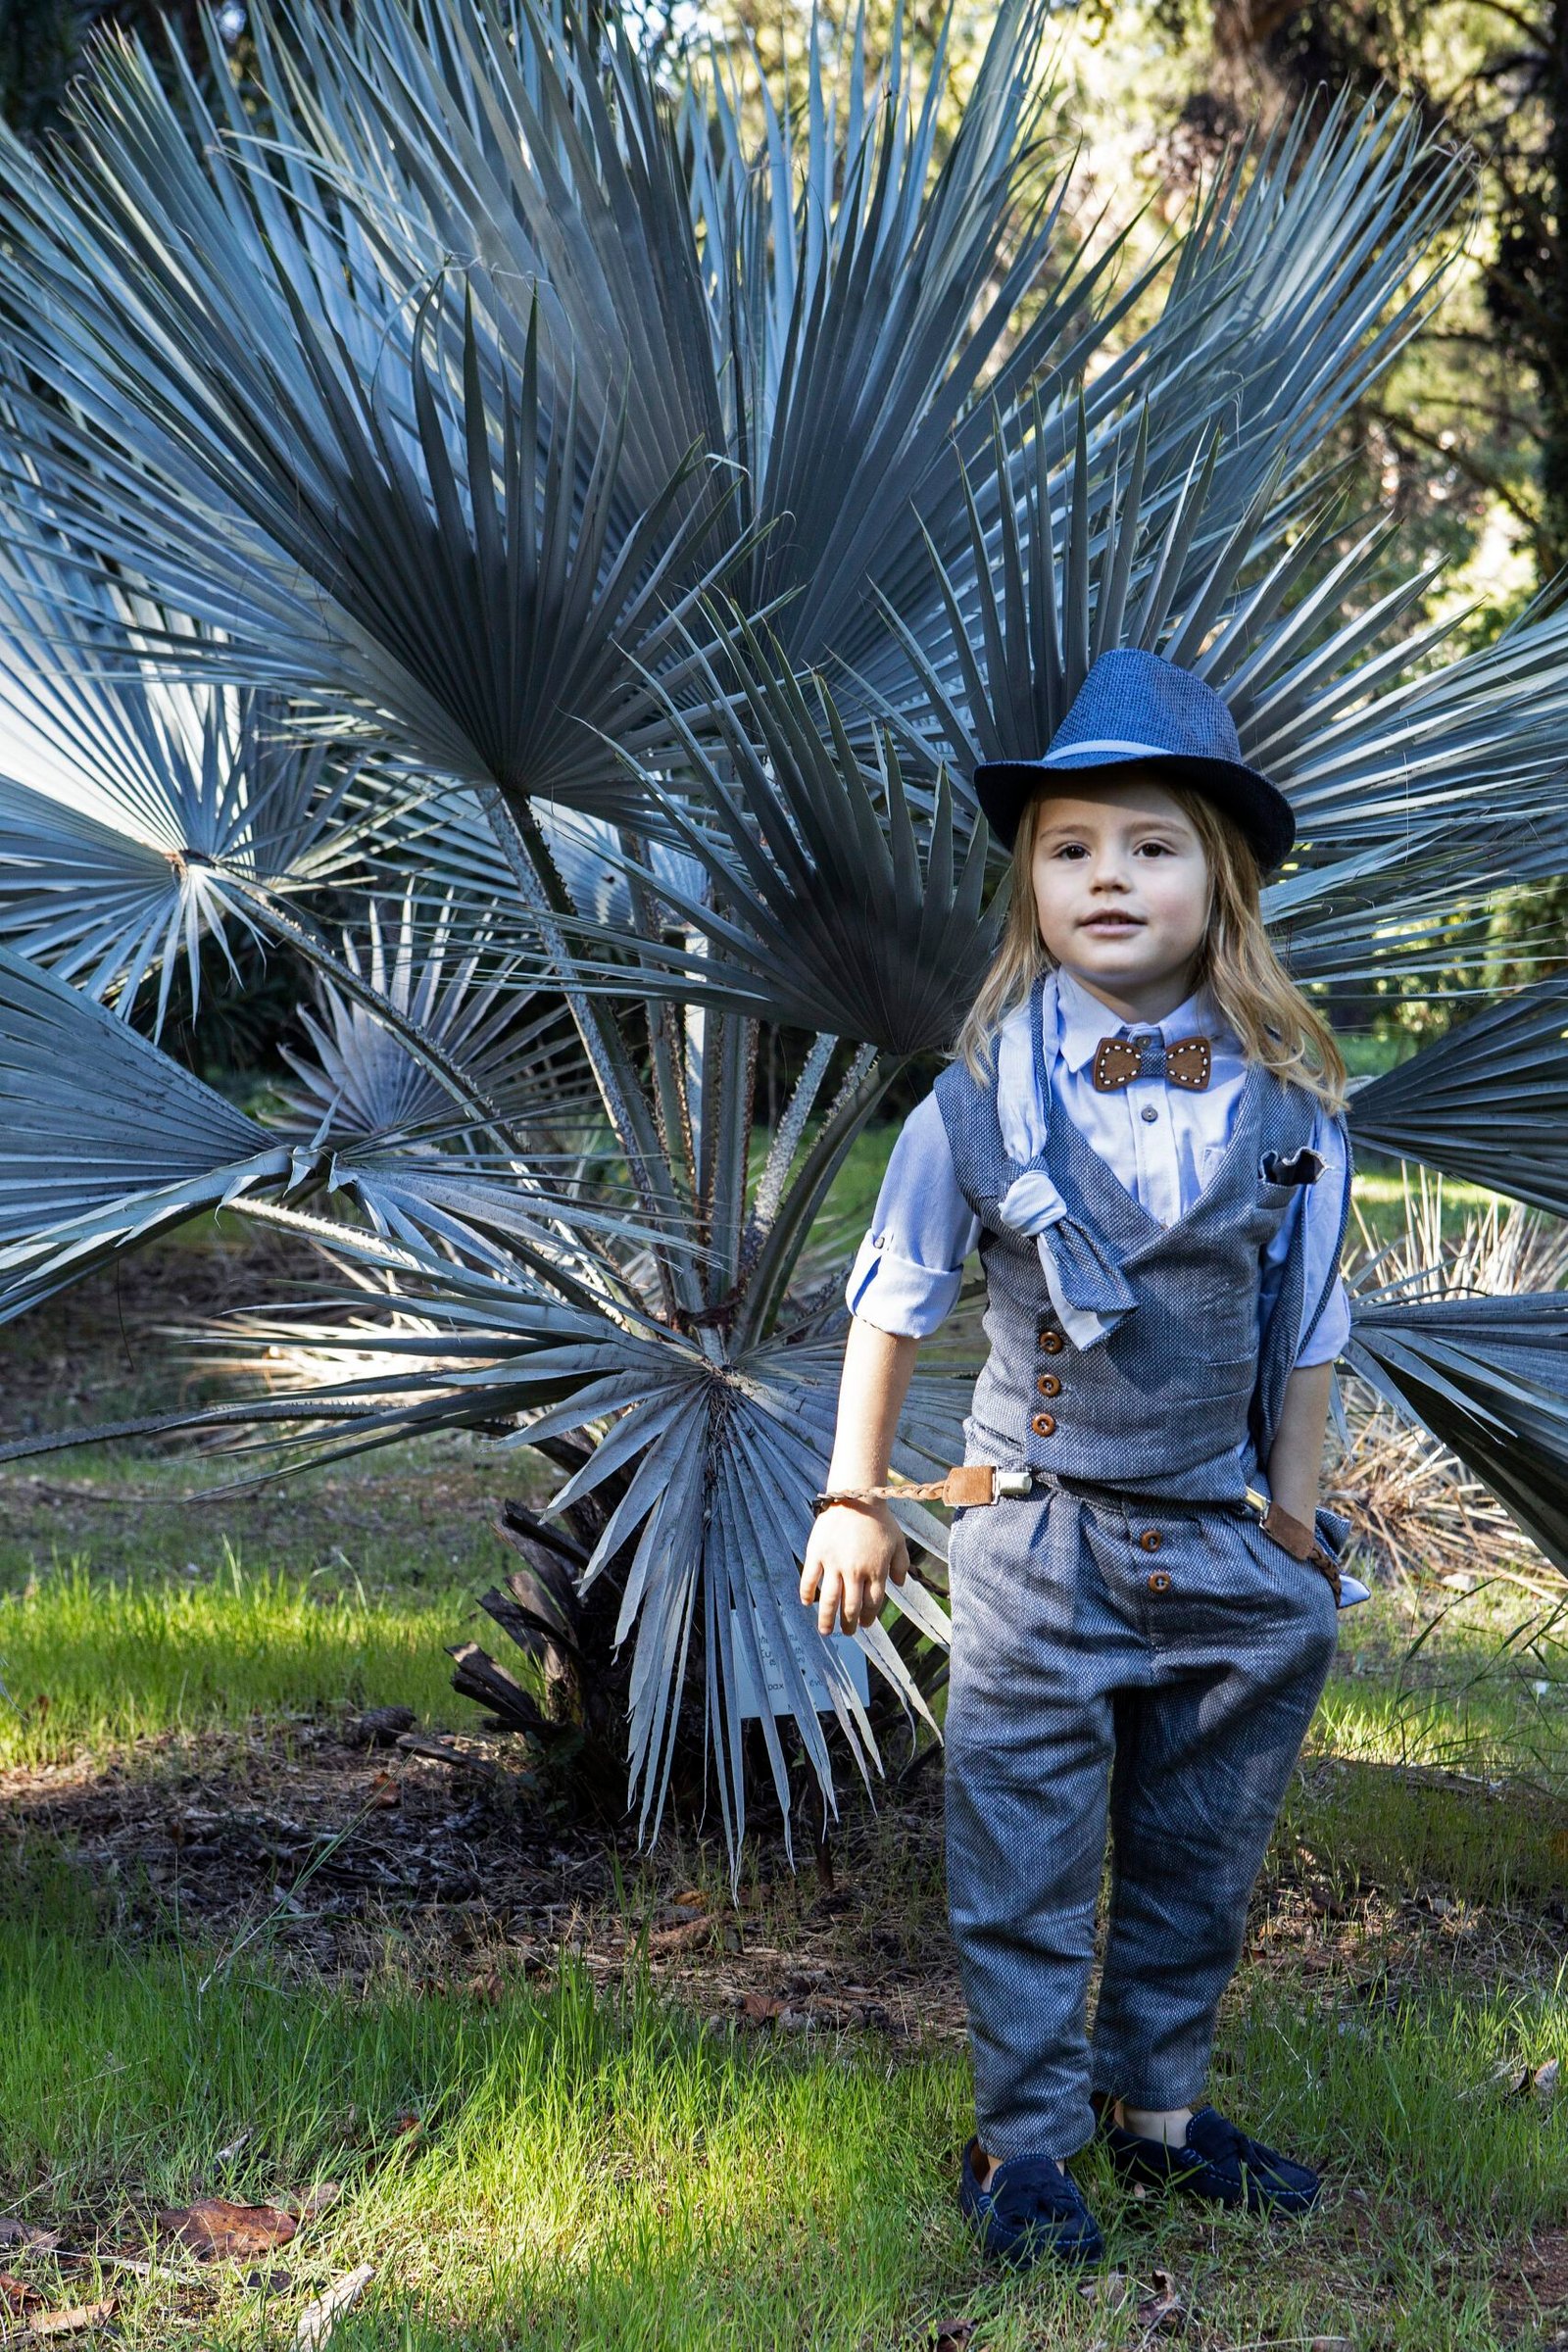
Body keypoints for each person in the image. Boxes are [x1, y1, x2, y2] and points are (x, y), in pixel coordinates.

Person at [799, 648, 1367, 2272]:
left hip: (1216, 1540)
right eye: (1070, 850)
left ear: (1222, 880)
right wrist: (855, 1495)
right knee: (1025, 1848)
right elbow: (892, 1307)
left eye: (1151, 845)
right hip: (1036, 1538)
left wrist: (1296, 1523)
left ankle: (1159, 2115)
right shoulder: (966, 1108)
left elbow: (1308, 1333)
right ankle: (1022, 2143)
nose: (1107, 876)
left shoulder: (1295, 1107)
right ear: (1030, 888)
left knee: (1201, 1845)